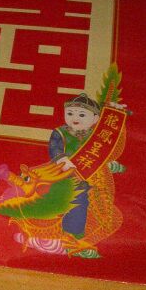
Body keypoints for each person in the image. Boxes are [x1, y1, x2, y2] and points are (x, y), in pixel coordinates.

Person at [48, 93, 101, 239]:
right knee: (64, 200)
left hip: (88, 176)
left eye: (82, 115)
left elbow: (102, 152)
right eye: (70, 113)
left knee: (81, 202)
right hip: (63, 173)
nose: (75, 118)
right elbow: (54, 149)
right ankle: (62, 232)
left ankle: (74, 235)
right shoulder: (60, 132)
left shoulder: (97, 135)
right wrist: (63, 160)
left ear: (95, 119)